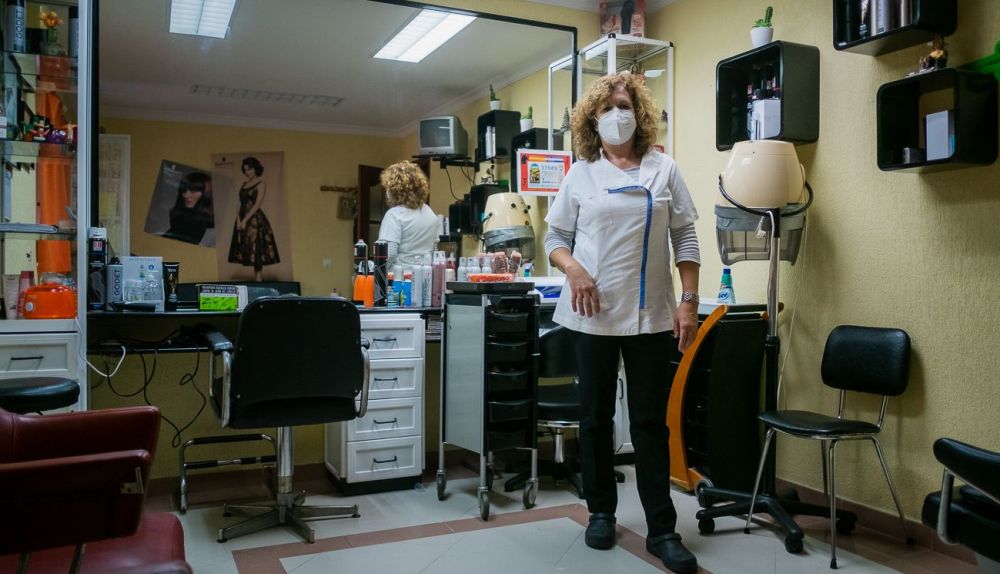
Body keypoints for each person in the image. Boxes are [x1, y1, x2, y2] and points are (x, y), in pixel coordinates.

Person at [544, 71, 701, 574]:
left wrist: (689, 301)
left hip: (651, 315)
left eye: (625, 105)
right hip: (592, 314)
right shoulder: (581, 173)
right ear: (593, 119)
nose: (617, 114)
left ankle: (663, 530)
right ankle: (601, 513)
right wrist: (574, 270)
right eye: (607, 107)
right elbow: (554, 239)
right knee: (594, 419)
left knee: (649, 424)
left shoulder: (664, 168)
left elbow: (685, 237)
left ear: (640, 112)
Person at [377, 161, 438, 269]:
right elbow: (434, 250)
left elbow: (388, 254)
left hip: (399, 275)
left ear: (394, 189)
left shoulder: (394, 214)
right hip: (424, 274)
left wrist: (375, 271)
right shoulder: (430, 214)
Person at [227, 156, 280, 281]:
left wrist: (245, 220)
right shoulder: (244, 184)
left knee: (257, 248)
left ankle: (258, 278)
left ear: (255, 169)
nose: (247, 172)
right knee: (246, 247)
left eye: (249, 169)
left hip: (254, 220)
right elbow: (239, 202)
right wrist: (238, 219)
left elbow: (257, 205)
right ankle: (256, 278)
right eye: (245, 170)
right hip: (242, 217)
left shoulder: (261, 184)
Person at [164, 171, 214, 245]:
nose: (186, 195)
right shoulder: (180, 217)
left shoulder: (210, 229)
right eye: (184, 190)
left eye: (193, 190)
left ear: (207, 194)